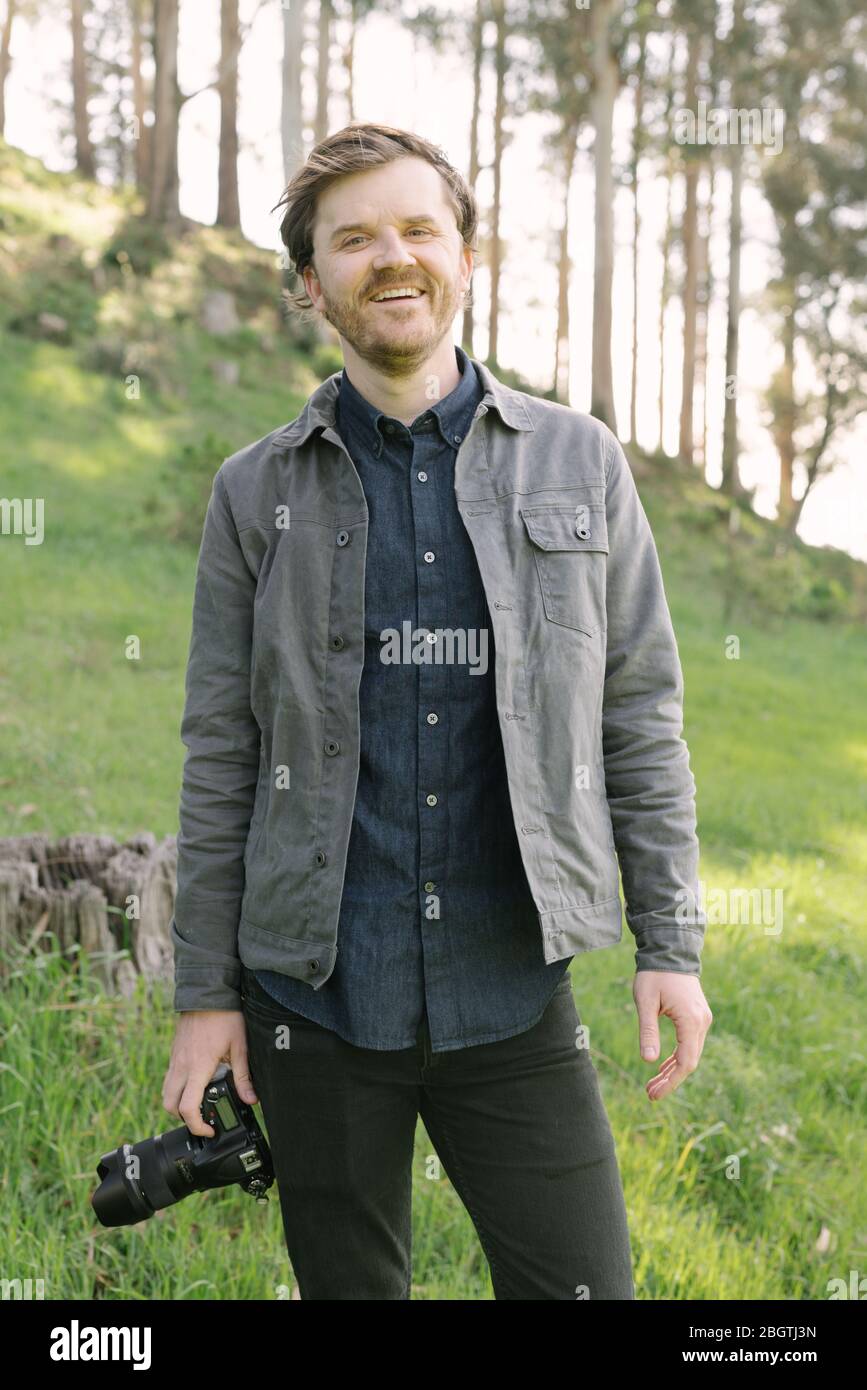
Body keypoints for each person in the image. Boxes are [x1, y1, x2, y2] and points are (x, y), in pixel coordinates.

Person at [162, 122, 713, 1301]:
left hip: (513, 990)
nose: (391, 257)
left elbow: (640, 716)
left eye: (419, 227)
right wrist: (206, 994)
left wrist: (670, 944)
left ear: (469, 254)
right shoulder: (253, 493)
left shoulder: (581, 461)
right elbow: (222, 749)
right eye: (353, 239)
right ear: (312, 283)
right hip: (315, 997)